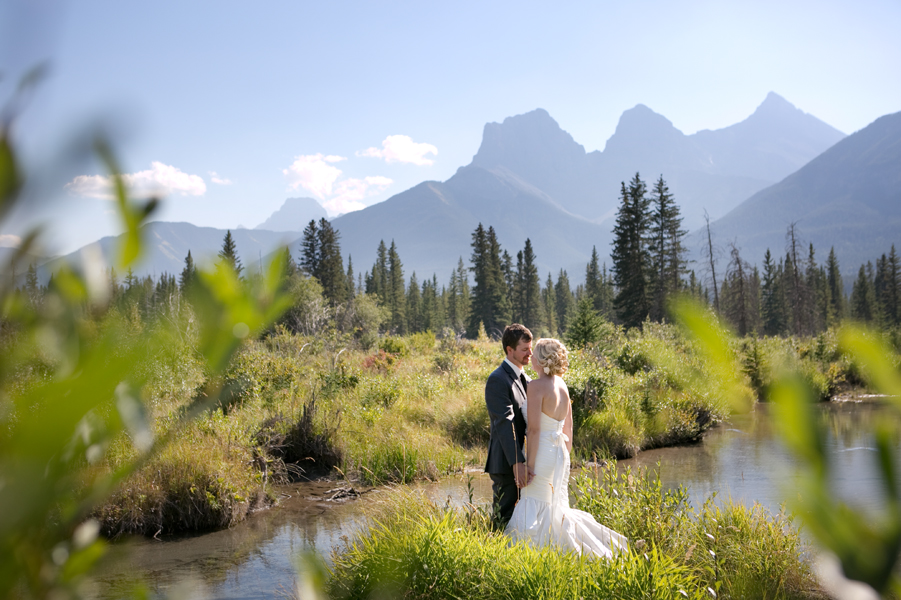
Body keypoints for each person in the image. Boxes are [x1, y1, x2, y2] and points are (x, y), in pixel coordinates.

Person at [505, 337, 628, 558]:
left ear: (542, 360)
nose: (530, 356)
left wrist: (529, 465)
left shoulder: (535, 386)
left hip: (542, 452)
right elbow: (568, 428)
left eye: (535, 354)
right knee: (555, 506)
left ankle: (536, 553)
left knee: (534, 500)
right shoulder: (562, 385)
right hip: (559, 452)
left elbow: (533, 430)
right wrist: (564, 456)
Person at [484, 323, 533, 527]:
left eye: (531, 348)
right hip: (506, 462)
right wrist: (517, 462)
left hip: (523, 459)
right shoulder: (498, 379)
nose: (530, 353)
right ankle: (495, 553)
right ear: (509, 350)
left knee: (521, 517)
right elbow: (505, 422)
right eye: (524, 349)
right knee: (504, 517)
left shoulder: (526, 378)